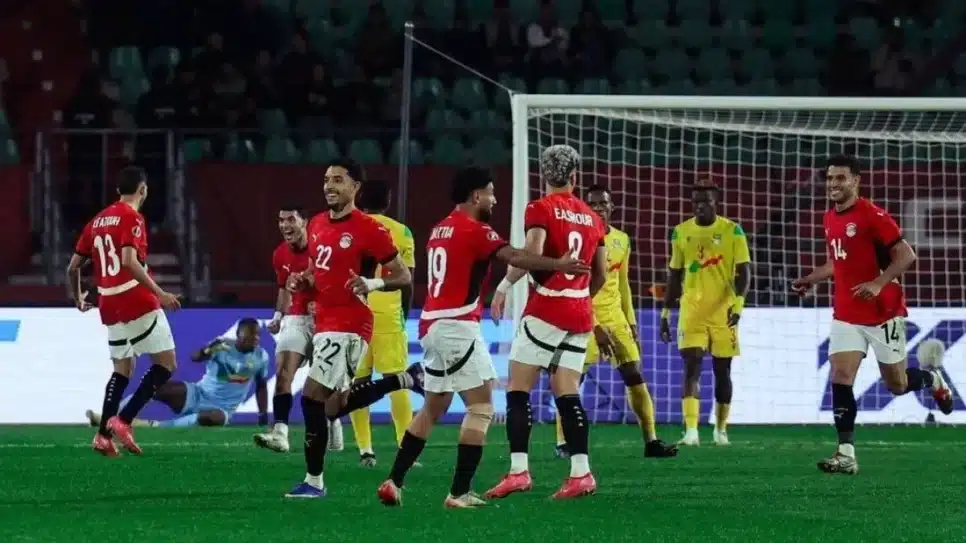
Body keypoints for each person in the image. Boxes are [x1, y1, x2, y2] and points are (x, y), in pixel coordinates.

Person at [375, 167, 590, 508]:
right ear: (476, 195)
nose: (494, 200)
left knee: (433, 406)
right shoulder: (475, 229)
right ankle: (458, 492)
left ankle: (393, 481)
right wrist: (558, 263)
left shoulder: (439, 228)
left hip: (430, 325)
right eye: (490, 193)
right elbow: (516, 257)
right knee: (481, 407)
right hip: (458, 326)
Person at [792, 155, 953, 474]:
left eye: (840, 178)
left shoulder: (872, 215)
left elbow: (907, 255)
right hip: (846, 312)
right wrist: (811, 278)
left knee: (897, 384)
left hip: (883, 313)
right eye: (830, 178)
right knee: (840, 376)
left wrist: (879, 283)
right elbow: (838, 261)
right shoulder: (829, 217)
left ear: (856, 181)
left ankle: (932, 378)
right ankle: (846, 453)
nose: (833, 184)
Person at [284, 159, 423, 499]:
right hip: (324, 321)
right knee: (333, 407)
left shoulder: (370, 229)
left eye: (338, 180)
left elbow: (403, 275)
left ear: (355, 187)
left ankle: (314, 482)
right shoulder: (317, 223)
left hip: (350, 322)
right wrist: (303, 281)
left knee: (311, 397)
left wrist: (372, 283)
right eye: (326, 179)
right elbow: (317, 271)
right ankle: (405, 379)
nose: (329, 186)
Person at [485, 145, 608, 500]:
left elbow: (532, 256)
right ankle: (581, 473)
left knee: (518, 388)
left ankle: (518, 471)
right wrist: (578, 295)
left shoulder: (539, 208)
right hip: (580, 312)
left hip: (547, 309)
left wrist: (504, 286)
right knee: (567, 392)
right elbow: (600, 274)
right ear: (575, 175)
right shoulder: (593, 218)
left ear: (543, 174)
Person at [552, 185, 677, 458]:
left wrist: (631, 321)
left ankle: (651, 441)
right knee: (571, 380)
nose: (598, 209)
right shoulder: (578, 240)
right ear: (584, 209)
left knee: (634, 374)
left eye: (603, 204)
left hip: (616, 317)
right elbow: (577, 288)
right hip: (583, 315)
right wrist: (595, 326)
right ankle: (563, 441)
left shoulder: (622, 240)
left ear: (612, 208)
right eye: (593, 204)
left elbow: (623, 284)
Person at [67, 165, 182, 456]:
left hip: (108, 303)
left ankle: (103, 436)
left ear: (118, 190)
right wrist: (161, 293)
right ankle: (124, 419)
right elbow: (129, 260)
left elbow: (73, 267)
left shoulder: (97, 221)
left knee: (122, 369)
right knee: (166, 364)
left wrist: (78, 297)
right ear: (143, 190)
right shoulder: (133, 217)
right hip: (135, 299)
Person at [659, 179, 752, 447]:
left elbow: (744, 272)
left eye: (706, 201)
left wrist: (738, 304)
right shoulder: (680, 232)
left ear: (716, 202)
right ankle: (691, 431)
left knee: (722, 371)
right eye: (696, 202)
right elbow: (674, 274)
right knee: (692, 367)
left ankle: (720, 430)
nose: (700, 206)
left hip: (723, 311)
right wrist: (665, 312)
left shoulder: (732, 231)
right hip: (692, 311)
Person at [255, 206, 338, 453]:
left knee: (326, 383)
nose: (285, 225)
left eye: (291, 219)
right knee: (283, 373)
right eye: (281, 220)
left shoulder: (323, 247)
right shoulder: (280, 254)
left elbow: (336, 280)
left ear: (305, 222)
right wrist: (278, 315)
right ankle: (280, 433)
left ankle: (332, 422)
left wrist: (321, 300)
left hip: (326, 320)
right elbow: (283, 288)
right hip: (296, 319)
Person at [87, 318, 269, 428]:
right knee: (156, 387)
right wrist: (207, 350)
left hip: (222, 408)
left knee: (215, 418)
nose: (255, 339)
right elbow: (194, 357)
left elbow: (261, 386)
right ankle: (111, 416)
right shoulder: (222, 345)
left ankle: (156, 427)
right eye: (250, 335)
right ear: (239, 335)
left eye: (257, 335)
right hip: (198, 393)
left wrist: (262, 415)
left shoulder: (261, 357)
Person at [350, 180, 418, 467]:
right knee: (398, 381)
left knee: (358, 383)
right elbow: (407, 280)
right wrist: (405, 314)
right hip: (389, 312)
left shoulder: (351, 228)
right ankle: (405, 448)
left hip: (355, 312)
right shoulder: (402, 231)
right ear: (387, 202)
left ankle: (365, 450)